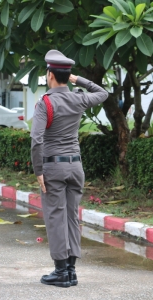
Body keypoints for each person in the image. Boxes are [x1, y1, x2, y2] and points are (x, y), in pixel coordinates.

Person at [31, 50, 108, 287]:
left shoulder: (46, 102)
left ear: (50, 75)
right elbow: (103, 93)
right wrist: (79, 80)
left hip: (53, 168)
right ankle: (72, 271)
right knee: (72, 217)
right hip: (76, 167)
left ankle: (60, 272)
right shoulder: (78, 98)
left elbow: (36, 139)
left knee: (56, 217)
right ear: (66, 75)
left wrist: (38, 171)